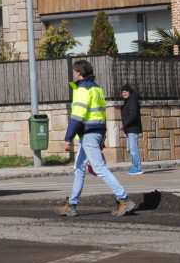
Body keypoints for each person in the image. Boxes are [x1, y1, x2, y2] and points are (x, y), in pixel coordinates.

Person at [57, 59, 137, 217]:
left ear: (79, 73)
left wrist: (68, 138)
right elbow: (101, 115)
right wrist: (102, 137)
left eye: (75, 71)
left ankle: (124, 199)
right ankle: (72, 203)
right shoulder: (97, 89)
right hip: (97, 131)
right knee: (79, 168)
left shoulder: (82, 89)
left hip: (88, 133)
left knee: (99, 168)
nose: (74, 74)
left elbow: (77, 116)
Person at [120, 83, 143, 175]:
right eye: (123, 92)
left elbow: (132, 115)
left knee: (133, 148)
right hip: (129, 128)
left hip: (133, 128)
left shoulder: (132, 101)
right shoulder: (127, 101)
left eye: (126, 92)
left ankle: (137, 167)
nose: (124, 94)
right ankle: (135, 166)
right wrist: (125, 129)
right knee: (130, 148)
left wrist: (125, 126)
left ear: (129, 92)